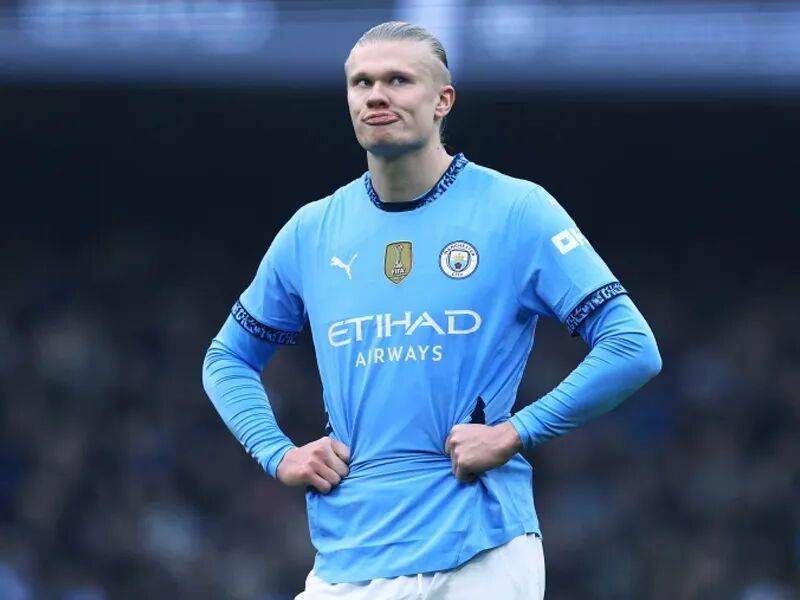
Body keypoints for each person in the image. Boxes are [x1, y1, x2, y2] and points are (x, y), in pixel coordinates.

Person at [202, 21, 662, 600]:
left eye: (398, 80)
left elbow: (630, 346)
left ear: (443, 100)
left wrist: (514, 432)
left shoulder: (516, 210)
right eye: (362, 82)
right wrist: (278, 454)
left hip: (478, 550)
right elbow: (227, 359)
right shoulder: (311, 232)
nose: (376, 95)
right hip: (349, 556)